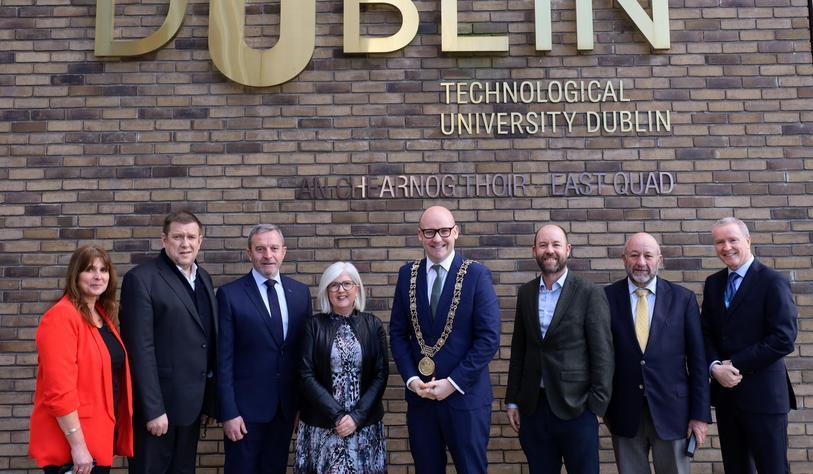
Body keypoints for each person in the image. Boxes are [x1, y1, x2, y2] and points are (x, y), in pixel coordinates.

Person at [389, 205, 500, 473]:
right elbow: (397, 334)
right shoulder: (408, 275)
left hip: (465, 399)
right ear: (419, 235)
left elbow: (488, 338)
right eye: (430, 232)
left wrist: (452, 383)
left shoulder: (476, 275)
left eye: (444, 231)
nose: (437, 238)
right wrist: (412, 380)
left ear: (456, 232)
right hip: (421, 400)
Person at [505, 224, 613, 474]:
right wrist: (512, 400)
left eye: (555, 245)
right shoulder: (526, 293)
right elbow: (519, 349)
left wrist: (596, 406)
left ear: (567, 249)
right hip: (534, 408)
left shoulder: (589, 293)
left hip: (577, 407)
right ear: (534, 251)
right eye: (543, 245)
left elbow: (603, 354)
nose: (549, 250)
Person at [119, 210, 218, 474]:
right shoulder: (142, 280)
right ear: (164, 240)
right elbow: (140, 349)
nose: (185, 243)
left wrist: (208, 400)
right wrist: (153, 409)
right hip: (158, 410)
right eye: (177, 237)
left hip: (192, 408)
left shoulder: (204, 278)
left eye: (191, 237)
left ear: (200, 241)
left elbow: (205, 340)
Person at [604, 232, 710, 474]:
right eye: (634, 255)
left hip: (674, 414)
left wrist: (700, 415)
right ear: (623, 258)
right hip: (624, 413)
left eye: (648, 255)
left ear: (659, 260)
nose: (641, 262)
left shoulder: (683, 299)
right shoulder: (606, 298)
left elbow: (698, 362)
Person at [701, 217, 797, 473]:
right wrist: (714, 367)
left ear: (748, 240)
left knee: (773, 469)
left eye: (733, 240)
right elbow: (706, 334)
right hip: (726, 398)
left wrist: (735, 364)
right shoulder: (713, 284)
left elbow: (783, 338)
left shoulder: (772, 281)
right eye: (720, 242)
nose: (726, 247)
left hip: (765, 397)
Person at [29, 245, 133, 474]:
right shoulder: (61, 317)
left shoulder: (101, 315)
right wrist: (78, 447)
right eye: (89, 269)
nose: (98, 276)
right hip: (74, 446)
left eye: (103, 270)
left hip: (98, 435)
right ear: (75, 276)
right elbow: (58, 390)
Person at [217, 224, 312, 473]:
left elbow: (303, 355)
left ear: (284, 252)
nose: (267, 255)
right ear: (250, 254)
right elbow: (223, 359)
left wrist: (301, 404)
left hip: (284, 411)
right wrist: (228, 412)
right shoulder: (230, 295)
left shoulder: (300, 294)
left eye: (273, 248)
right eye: (260, 249)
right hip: (244, 414)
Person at [295, 261, 388, 473]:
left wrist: (356, 417)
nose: (341, 290)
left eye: (347, 284)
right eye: (334, 285)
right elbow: (305, 374)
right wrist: (338, 416)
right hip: (323, 426)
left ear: (357, 288)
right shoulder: (313, 325)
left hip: (364, 427)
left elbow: (381, 374)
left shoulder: (373, 325)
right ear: (326, 291)